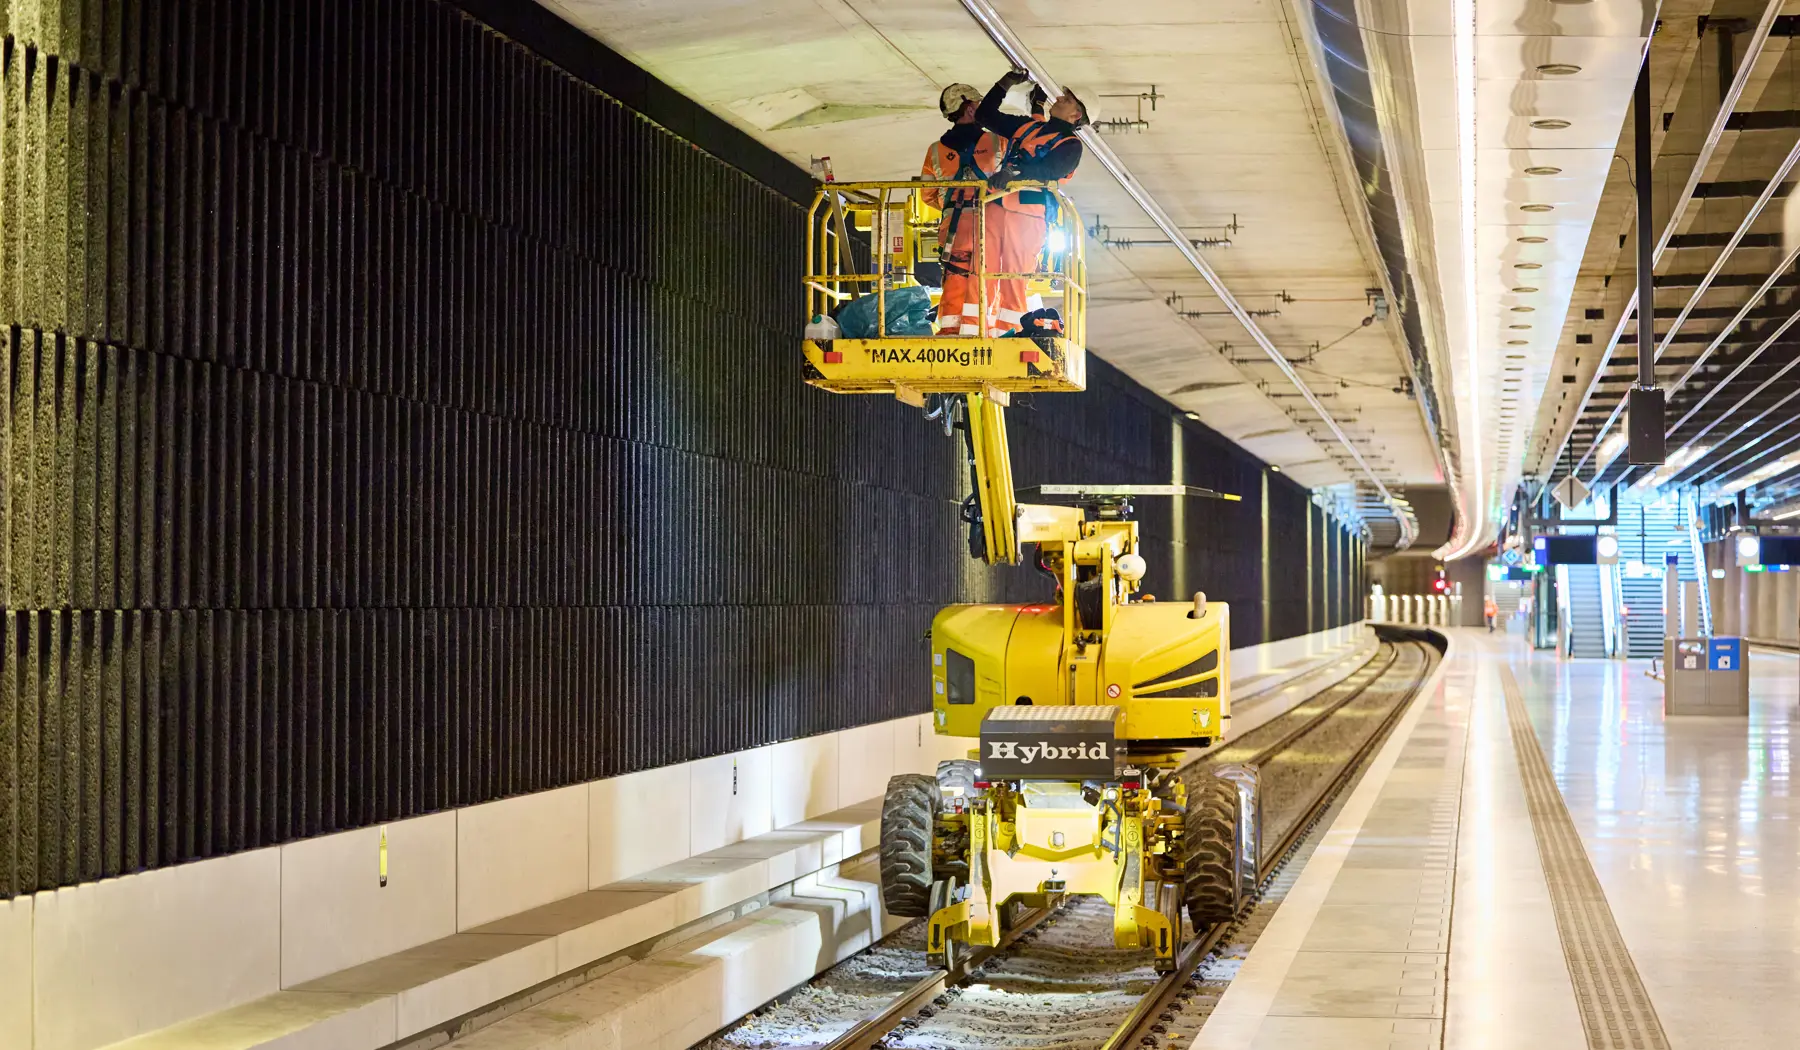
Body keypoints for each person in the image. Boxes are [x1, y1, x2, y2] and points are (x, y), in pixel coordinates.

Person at [974, 69, 1089, 334]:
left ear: (1076, 115)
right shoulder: (1028, 126)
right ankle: (982, 332)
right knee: (983, 273)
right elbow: (985, 116)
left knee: (1014, 279)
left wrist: (1013, 173)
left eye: (1068, 99)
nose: (1059, 98)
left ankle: (1008, 335)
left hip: (1028, 212)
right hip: (994, 204)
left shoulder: (1071, 145)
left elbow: (1050, 170)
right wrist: (1004, 84)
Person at [922, 84, 1010, 335]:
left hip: (953, 228)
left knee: (954, 278)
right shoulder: (998, 141)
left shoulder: (935, 151)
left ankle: (950, 332)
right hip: (988, 224)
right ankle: (980, 331)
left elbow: (928, 195)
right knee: (985, 277)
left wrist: (950, 207)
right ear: (970, 108)